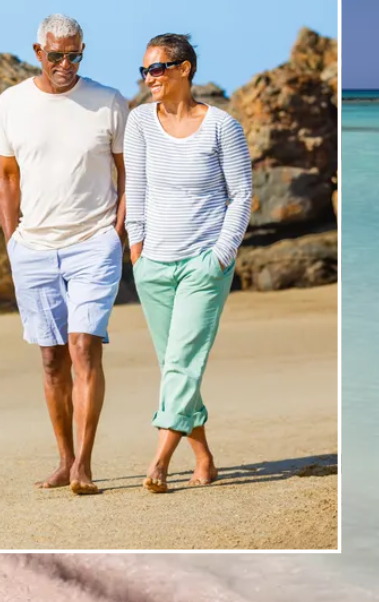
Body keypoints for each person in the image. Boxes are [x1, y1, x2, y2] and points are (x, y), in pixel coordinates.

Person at [0, 13, 129, 496]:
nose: (65, 64)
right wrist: (13, 240)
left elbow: (128, 170)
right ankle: (64, 459)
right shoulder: (12, 103)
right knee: (52, 360)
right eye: (56, 55)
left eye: (74, 55)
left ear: (83, 51)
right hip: (32, 248)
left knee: (83, 348)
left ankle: (85, 465)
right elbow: (6, 176)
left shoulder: (109, 103)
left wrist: (118, 227)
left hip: (93, 243)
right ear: (38, 52)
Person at [124, 34, 253, 494]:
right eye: (144, 70)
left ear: (185, 69)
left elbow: (241, 196)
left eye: (156, 69)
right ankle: (204, 457)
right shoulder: (139, 122)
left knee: (180, 363)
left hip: (203, 265)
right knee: (176, 366)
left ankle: (159, 461)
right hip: (154, 265)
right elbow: (134, 189)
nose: (148, 79)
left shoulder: (223, 126)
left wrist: (221, 256)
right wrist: (136, 250)